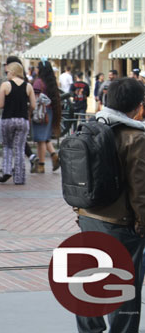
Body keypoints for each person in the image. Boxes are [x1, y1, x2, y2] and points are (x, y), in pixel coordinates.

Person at [75, 78, 145, 333]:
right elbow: (140, 190)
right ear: (139, 106)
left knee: (89, 277)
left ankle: (89, 330)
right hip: (122, 224)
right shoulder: (135, 137)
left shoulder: (91, 127)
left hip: (88, 215)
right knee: (126, 287)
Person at [0, 62, 36, 185]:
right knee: (19, 148)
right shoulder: (28, 86)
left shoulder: (5, 85)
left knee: (7, 146)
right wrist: (28, 112)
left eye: (8, 72)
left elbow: (0, 105)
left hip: (8, 119)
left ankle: (7, 170)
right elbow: (33, 105)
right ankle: (19, 178)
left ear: (13, 72)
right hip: (23, 120)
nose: (6, 74)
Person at [31, 60, 62, 173]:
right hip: (49, 112)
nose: (35, 69)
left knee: (41, 140)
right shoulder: (51, 82)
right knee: (45, 137)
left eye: (37, 67)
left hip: (40, 113)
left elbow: (34, 99)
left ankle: (41, 164)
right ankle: (54, 156)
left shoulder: (38, 82)